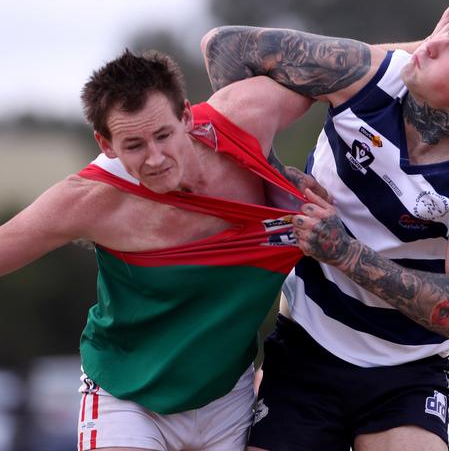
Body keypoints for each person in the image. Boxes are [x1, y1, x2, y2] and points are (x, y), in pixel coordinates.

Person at [201, 0, 449, 451]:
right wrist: (272, 177)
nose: (433, 46)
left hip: (407, 372)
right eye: (446, 34)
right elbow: (225, 47)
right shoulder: (368, 73)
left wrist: (346, 253)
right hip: (308, 343)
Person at [0, 49, 318, 450]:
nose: (155, 158)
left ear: (186, 116)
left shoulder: (244, 118)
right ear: (106, 143)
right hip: (127, 397)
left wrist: (425, 47)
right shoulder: (90, 200)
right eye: (133, 145)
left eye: (164, 135)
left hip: (226, 397)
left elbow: (365, 69)